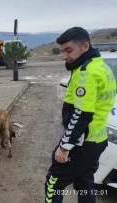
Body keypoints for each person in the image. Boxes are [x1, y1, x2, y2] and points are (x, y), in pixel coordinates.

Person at [45, 27, 116, 203]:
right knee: (85, 183)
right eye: (62, 51)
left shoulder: (87, 72)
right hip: (98, 139)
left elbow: (81, 114)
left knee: (53, 183)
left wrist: (65, 146)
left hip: (83, 141)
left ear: (85, 46)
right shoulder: (101, 66)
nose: (64, 56)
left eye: (69, 50)